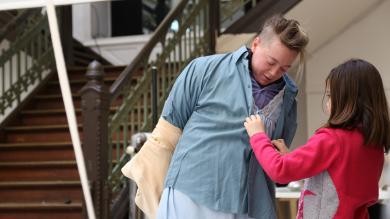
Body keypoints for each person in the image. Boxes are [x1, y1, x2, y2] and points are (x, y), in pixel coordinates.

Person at [122, 14, 309, 219]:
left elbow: (276, 158)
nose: (274, 72)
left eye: (284, 68)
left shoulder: (289, 98)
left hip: (250, 204)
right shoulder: (204, 69)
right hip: (191, 195)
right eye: (271, 62)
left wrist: (285, 160)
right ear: (256, 44)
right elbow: (166, 134)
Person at [244, 59, 390, 218]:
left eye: (330, 95)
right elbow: (336, 180)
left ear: (345, 99)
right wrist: (290, 158)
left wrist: (258, 135)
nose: (328, 102)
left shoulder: (332, 139)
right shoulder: (373, 143)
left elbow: (280, 170)